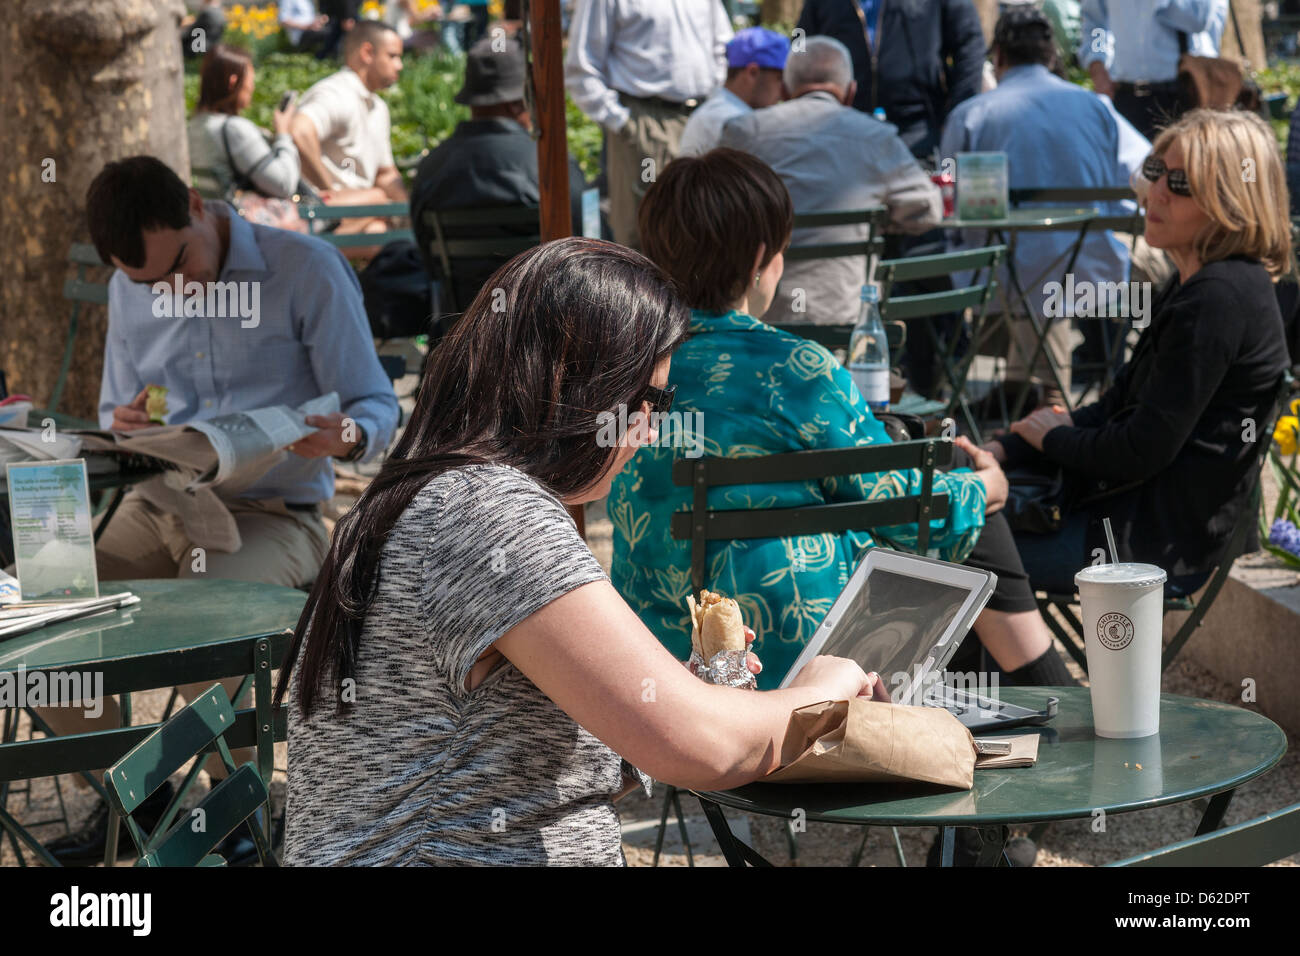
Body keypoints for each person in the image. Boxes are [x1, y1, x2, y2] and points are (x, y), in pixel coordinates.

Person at [276, 237, 891, 866]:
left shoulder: (426, 496)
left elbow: (531, 760)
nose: (651, 433)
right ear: (580, 387)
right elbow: (704, 749)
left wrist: (674, 697)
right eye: (650, 400)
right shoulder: (489, 515)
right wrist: (820, 692)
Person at [40, 155, 401, 867]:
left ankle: (242, 806)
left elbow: (375, 404)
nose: (168, 292)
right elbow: (124, 413)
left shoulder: (307, 269)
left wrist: (350, 434)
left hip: (276, 511)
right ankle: (132, 799)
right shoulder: (132, 285)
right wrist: (125, 424)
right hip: (162, 499)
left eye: (177, 268)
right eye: (147, 284)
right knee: (48, 589)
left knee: (206, 617)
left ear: (200, 210)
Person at [614, 147, 1075, 696]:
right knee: (955, 490)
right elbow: (908, 511)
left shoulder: (626, 367)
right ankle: (1051, 696)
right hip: (799, 661)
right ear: (763, 256)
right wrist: (983, 491)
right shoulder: (796, 370)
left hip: (653, 657)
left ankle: (1042, 692)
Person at [990, 109, 1291, 600]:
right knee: (959, 520)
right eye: (1156, 172)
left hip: (1149, 544)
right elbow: (1117, 407)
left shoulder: (1217, 298)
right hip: (1134, 520)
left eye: (1181, 183)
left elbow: (1138, 450)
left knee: (957, 545)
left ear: (1230, 201)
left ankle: (1026, 675)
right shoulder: (1196, 282)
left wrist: (1053, 442)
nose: (1157, 192)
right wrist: (1014, 446)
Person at [940, 7, 1148, 410]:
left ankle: (1037, 393)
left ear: (997, 56)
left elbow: (951, 202)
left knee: (1026, 264)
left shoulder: (971, 115)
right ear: (1052, 56)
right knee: (1053, 265)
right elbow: (1148, 169)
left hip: (994, 279)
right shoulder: (1096, 108)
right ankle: (1032, 390)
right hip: (1097, 275)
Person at [719, 35, 941, 328]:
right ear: (850, 93)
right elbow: (928, 210)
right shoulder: (877, 137)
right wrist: (881, 219)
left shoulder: (742, 132)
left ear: (785, 90)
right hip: (848, 318)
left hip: (756, 316)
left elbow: (714, 214)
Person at [410, 36, 588, 319]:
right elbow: (588, 244)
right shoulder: (551, 164)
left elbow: (429, 263)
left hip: (460, 330)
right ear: (520, 101)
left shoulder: (433, 166)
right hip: (544, 330)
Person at [564, 0, 732, 248]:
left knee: (706, 225)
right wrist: (623, 123)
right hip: (644, 121)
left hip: (702, 114)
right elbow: (582, 67)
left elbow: (723, 47)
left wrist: (717, 99)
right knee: (644, 232)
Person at [794, 0, 985, 161]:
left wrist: (956, 115)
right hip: (845, 130)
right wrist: (802, 100)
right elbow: (799, 39)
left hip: (919, 130)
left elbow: (970, 43)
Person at [292, 20, 406, 202]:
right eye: (392, 56)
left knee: (378, 226)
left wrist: (412, 211)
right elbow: (299, 132)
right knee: (376, 197)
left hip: (354, 210)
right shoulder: (337, 93)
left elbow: (384, 174)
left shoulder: (378, 106)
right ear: (367, 53)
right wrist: (329, 190)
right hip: (319, 208)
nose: (399, 65)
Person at [1079, 0, 1227, 141]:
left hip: (1183, 93)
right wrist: (1098, 65)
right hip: (1126, 96)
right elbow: (1096, 24)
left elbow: (1200, 19)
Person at [188, 46, 302, 204]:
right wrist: (283, 133)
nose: (252, 88)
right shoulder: (235, 129)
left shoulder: (194, 124)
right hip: (246, 224)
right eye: (250, 81)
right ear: (233, 82)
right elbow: (284, 185)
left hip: (214, 218)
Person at [677, 27, 789, 158]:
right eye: (779, 78)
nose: (782, 91)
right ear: (752, 73)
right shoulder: (734, 121)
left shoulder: (716, 109)